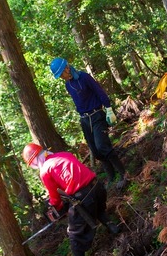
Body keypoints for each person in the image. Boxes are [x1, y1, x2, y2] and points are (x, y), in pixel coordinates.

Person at [22, 143, 119, 256]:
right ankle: (112, 226)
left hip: (84, 196)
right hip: (97, 187)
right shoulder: (64, 154)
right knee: (98, 208)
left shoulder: (45, 170)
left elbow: (55, 199)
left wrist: (55, 208)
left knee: (74, 233)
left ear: (35, 161)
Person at [50, 57, 127, 189]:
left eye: (62, 74)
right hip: (85, 119)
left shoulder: (84, 77)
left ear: (67, 68)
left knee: (102, 145)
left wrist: (108, 109)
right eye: (60, 76)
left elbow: (100, 92)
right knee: (96, 151)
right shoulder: (68, 85)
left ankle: (123, 173)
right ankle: (111, 177)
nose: (62, 77)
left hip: (97, 115)